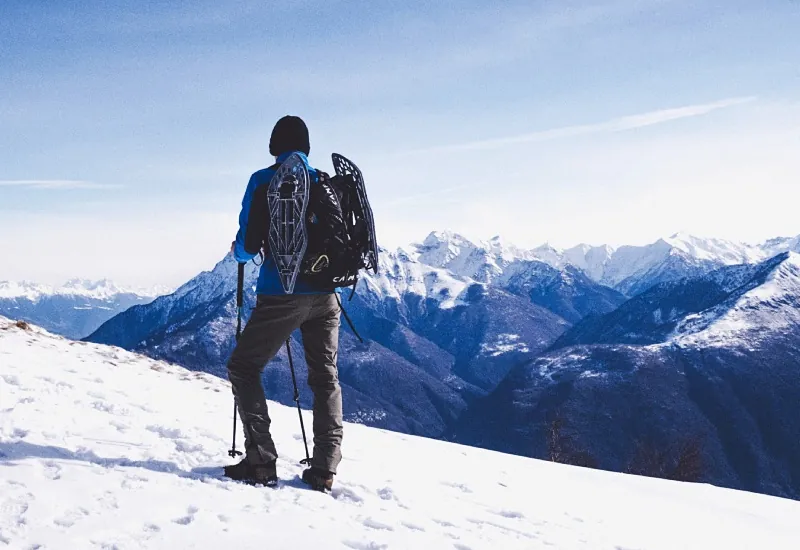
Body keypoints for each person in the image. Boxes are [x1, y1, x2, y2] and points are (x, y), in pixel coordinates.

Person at [223, 115, 343, 492]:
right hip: (326, 295)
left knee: (244, 366)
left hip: (280, 294)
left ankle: (261, 459)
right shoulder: (324, 180)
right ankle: (325, 467)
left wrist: (237, 251)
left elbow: (248, 244)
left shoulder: (263, 181)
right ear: (307, 147)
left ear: (274, 145)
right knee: (325, 377)